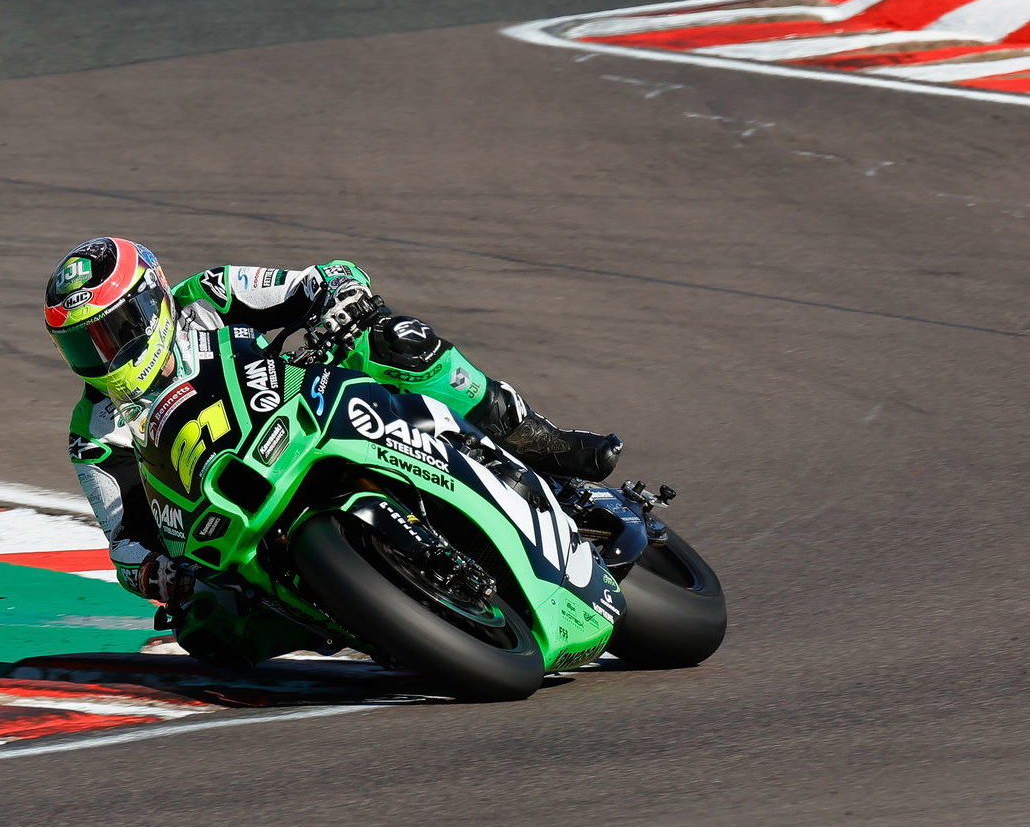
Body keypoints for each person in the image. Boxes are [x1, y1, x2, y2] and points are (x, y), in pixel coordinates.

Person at [44, 237, 622, 615]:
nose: (105, 355)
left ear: (153, 300)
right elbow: (122, 537)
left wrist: (341, 299)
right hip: (234, 522)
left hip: (312, 412)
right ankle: (375, 617)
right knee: (208, 632)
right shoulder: (92, 433)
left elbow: (314, 281)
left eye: (113, 330)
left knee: (394, 341)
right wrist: (153, 574)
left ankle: (532, 437)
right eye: (83, 345)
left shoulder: (209, 296)